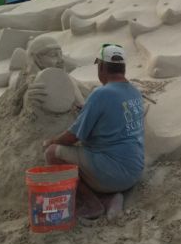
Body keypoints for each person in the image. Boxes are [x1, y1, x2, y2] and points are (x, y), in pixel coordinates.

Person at [43, 44, 145, 220]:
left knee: (53, 153)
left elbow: (72, 137)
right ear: (123, 68)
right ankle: (110, 198)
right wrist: (89, 110)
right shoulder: (134, 92)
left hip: (113, 173)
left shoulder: (101, 94)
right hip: (134, 171)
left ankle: (92, 204)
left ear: (102, 67)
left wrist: (51, 141)